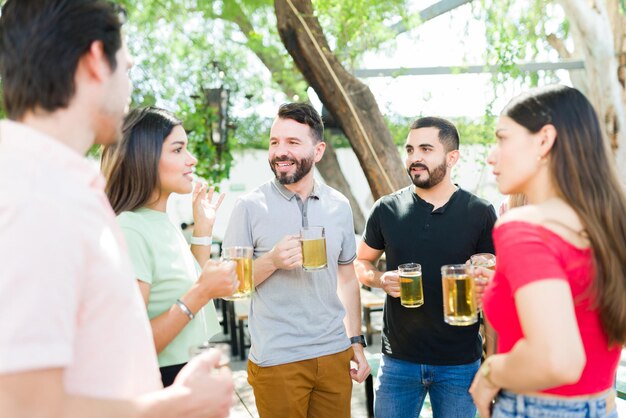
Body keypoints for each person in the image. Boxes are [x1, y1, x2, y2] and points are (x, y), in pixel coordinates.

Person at [0, 1, 233, 417]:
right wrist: (177, 404)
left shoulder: (63, 188)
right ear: (94, 61)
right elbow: (25, 407)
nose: (128, 88)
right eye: (126, 69)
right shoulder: (36, 198)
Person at [469, 85, 626, 418]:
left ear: (544, 140)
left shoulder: (522, 226)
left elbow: (558, 360)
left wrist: (489, 372)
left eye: (502, 138)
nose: (491, 155)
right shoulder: (609, 224)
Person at [223, 102, 370, 418]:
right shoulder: (248, 207)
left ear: (318, 151)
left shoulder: (339, 206)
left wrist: (355, 341)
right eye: (275, 142)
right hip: (278, 359)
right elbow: (227, 285)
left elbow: (347, 278)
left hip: (334, 354)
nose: (280, 151)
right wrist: (272, 261)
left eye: (292, 142)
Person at [355, 116, 497, 417]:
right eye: (409, 150)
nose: (414, 158)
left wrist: (485, 267)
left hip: (460, 364)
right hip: (398, 363)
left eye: (425, 149)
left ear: (452, 157)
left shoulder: (480, 212)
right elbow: (361, 261)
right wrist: (380, 279)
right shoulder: (386, 209)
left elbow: (494, 275)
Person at [101, 106, 238, 387]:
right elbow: (133, 343)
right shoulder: (130, 228)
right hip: (165, 383)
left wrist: (203, 229)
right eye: (178, 150)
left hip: (190, 374)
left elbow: (188, 283)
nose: (192, 160)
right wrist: (203, 292)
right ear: (145, 158)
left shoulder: (160, 220)